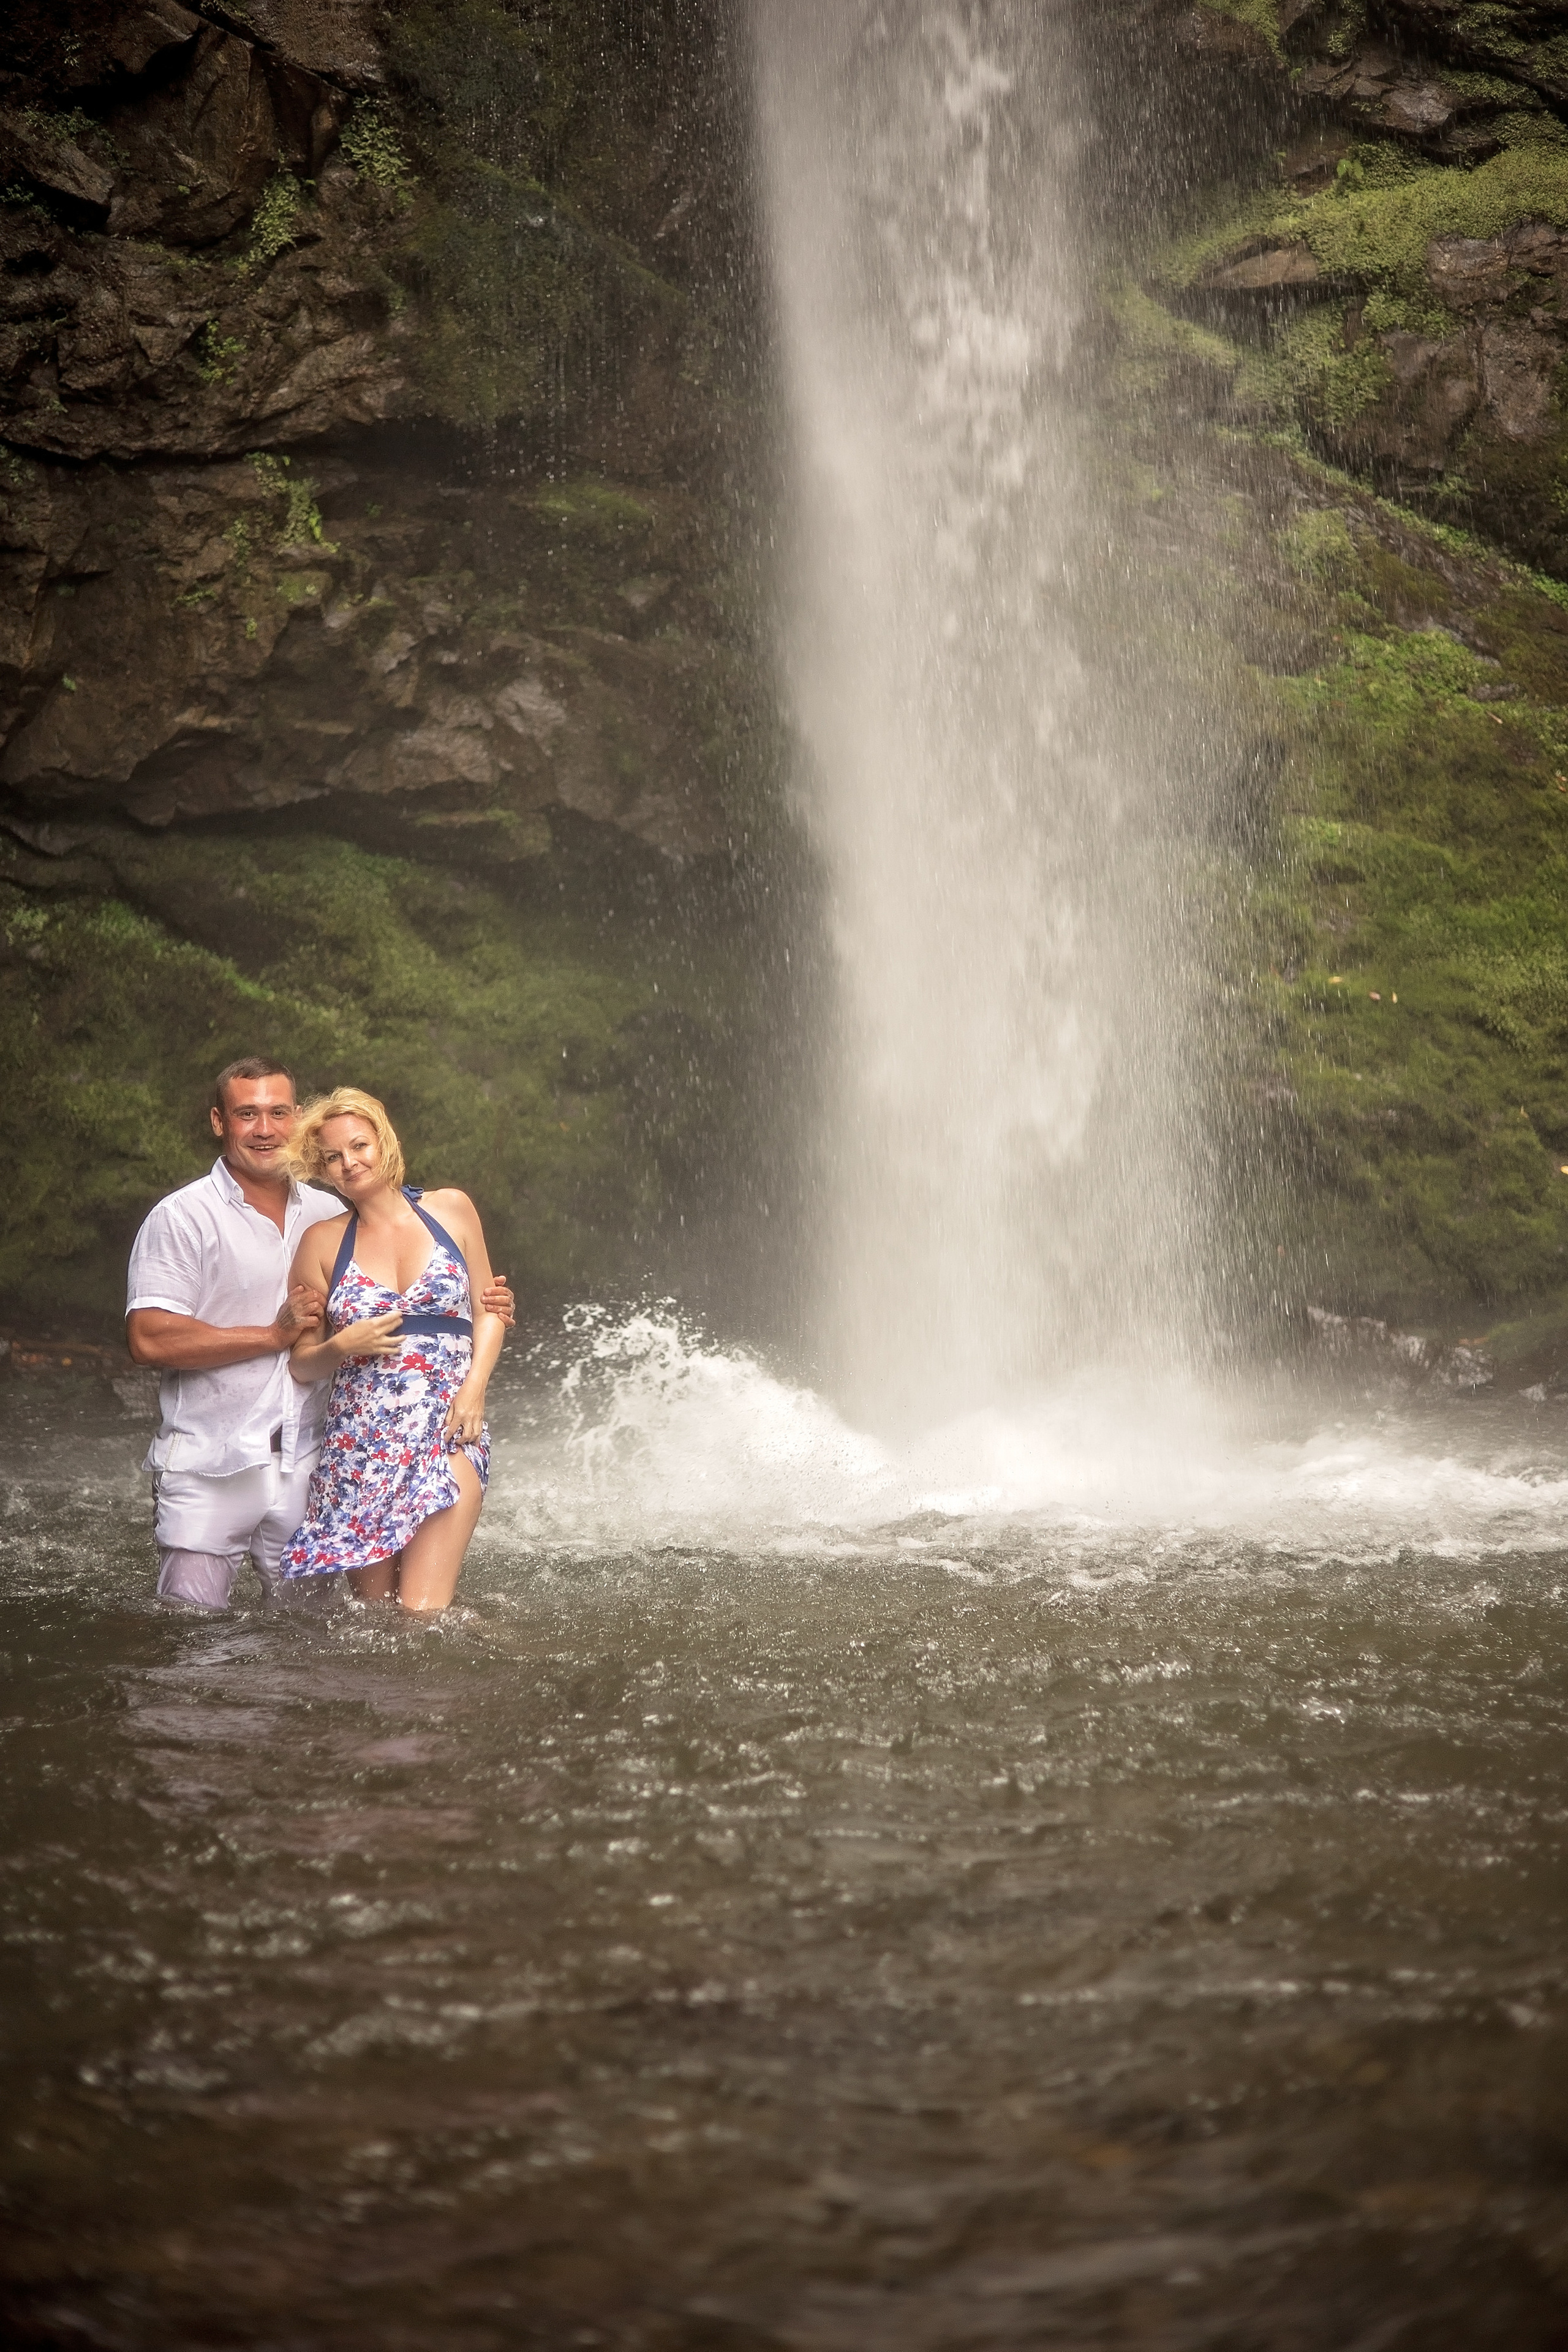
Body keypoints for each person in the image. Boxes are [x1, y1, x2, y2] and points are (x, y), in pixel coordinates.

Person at [126, 1058, 513, 1610]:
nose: (264, 1128)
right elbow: (149, 1341)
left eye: (278, 1113)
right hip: (241, 1457)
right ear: (219, 1121)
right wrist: (300, 1339)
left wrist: (482, 1350)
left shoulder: (347, 1210)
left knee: (378, 1625)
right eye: (247, 1114)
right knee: (199, 1625)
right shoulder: (193, 1217)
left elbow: (482, 1303)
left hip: (328, 1454)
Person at [276, 1088, 504, 1612]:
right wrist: (341, 1345)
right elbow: (302, 1363)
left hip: (449, 1427)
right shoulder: (322, 1242)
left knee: (421, 1614)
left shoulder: (452, 1209)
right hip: (361, 1448)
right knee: (374, 1622)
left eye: (359, 1145)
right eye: (333, 1156)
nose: (349, 1163)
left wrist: (473, 1392)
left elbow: (489, 1306)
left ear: (386, 1142)